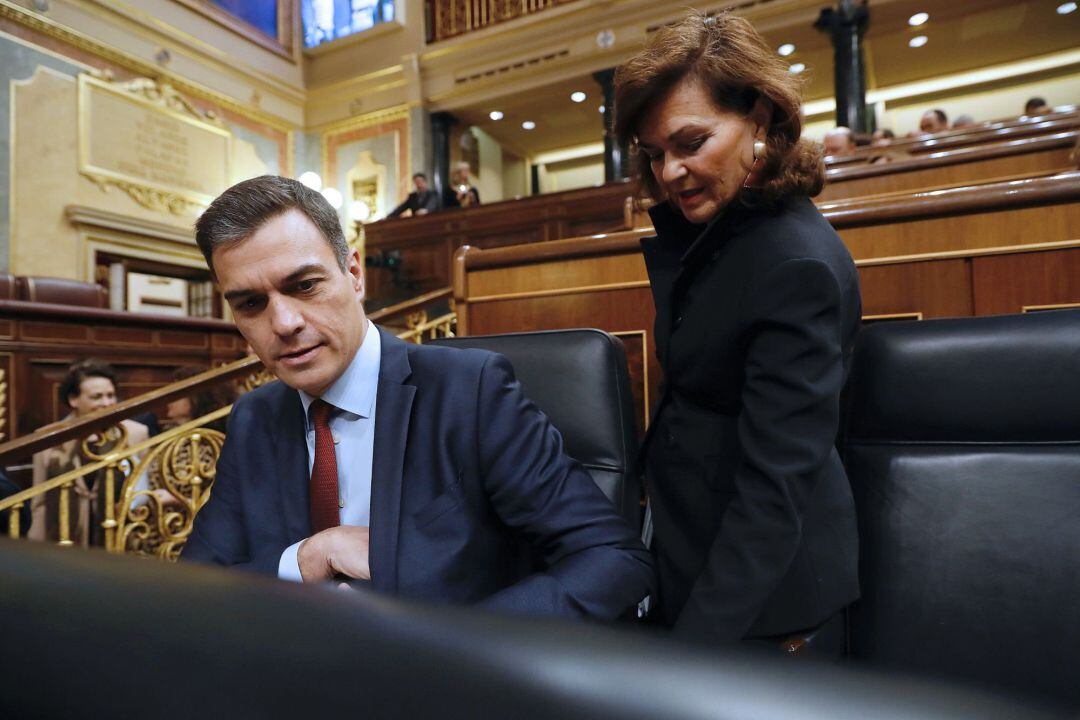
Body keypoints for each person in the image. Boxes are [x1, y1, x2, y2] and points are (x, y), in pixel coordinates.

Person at [182, 175, 653, 620]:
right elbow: (194, 590)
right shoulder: (254, 417)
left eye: (304, 286)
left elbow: (611, 558)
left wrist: (445, 649)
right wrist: (305, 558)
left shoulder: (471, 391)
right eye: (250, 304)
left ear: (354, 274)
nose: (284, 323)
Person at [614, 11, 861, 651]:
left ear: (759, 116)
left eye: (690, 143)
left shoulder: (793, 261)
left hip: (766, 611)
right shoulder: (726, 233)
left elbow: (774, 493)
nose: (668, 173)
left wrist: (698, 646)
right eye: (654, 154)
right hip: (702, 563)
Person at [28, 359, 151, 546]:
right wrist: (35, 549)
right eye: (97, 397)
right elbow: (40, 505)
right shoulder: (47, 439)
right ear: (73, 399)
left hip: (118, 542)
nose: (106, 402)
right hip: (66, 544)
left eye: (111, 395)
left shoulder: (135, 433)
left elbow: (143, 491)